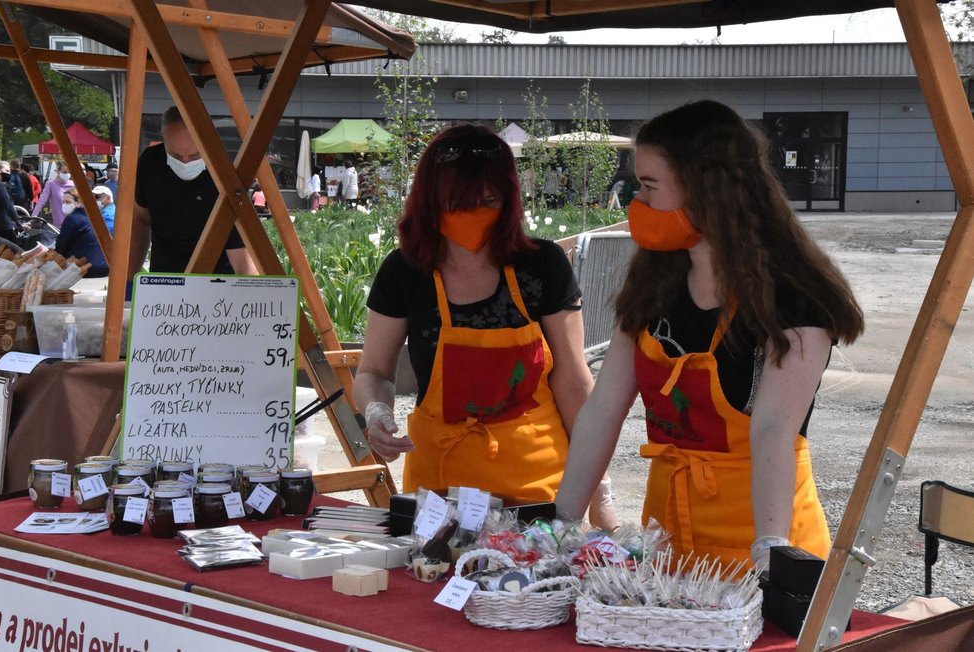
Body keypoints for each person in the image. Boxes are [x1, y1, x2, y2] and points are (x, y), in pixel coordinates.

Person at [554, 100, 864, 567]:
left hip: (761, 536)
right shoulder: (651, 282)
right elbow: (603, 409)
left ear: (707, 189)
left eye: (649, 186)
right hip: (668, 539)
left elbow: (774, 431)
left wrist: (772, 552)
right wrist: (560, 523)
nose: (638, 202)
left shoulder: (795, 299)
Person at [355, 125, 615, 524]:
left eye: (488, 201)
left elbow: (573, 380)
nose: (472, 215)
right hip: (440, 489)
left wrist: (600, 496)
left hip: (535, 485)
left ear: (509, 199)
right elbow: (373, 371)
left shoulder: (542, 265)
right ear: (429, 203)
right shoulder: (405, 271)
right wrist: (376, 412)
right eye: (457, 203)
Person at [131, 106, 256, 275]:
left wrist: (250, 296)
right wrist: (128, 279)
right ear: (164, 140)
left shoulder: (225, 174)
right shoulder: (151, 163)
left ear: (207, 143)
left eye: (195, 155)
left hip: (216, 282)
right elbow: (140, 218)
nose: (185, 162)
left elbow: (241, 255)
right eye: (175, 155)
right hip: (165, 277)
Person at [54, 188, 108, 277]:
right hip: (104, 267)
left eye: (68, 202)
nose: (64, 205)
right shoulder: (97, 218)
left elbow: (61, 246)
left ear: (79, 202)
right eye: (63, 202)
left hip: (84, 268)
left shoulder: (72, 219)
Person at [32, 161, 75, 228]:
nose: (67, 174)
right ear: (58, 171)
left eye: (69, 172)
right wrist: (33, 216)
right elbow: (42, 201)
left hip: (73, 223)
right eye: (64, 172)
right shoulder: (51, 184)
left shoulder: (73, 184)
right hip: (59, 225)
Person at [0, 161, 21, 245]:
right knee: (13, 253)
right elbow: (8, 205)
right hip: (3, 226)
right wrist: (19, 221)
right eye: (7, 171)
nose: (9, 174)